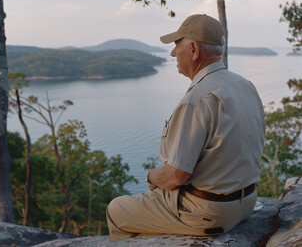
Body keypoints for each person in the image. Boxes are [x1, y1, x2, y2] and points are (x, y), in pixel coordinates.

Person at [106, 14, 266, 241]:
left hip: (208, 212)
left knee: (117, 209)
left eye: (176, 45)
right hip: (247, 202)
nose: (172, 53)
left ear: (193, 49)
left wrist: (151, 177)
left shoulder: (198, 99)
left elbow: (176, 175)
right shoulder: (245, 85)